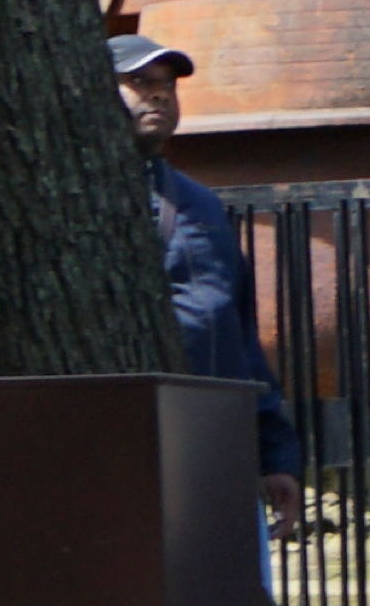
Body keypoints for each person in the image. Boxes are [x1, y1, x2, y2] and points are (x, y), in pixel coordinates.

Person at [126, 34, 310, 531]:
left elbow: (236, 332)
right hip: (119, 448)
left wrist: (276, 455)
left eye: (168, 85)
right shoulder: (67, 197)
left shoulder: (199, 204)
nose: (159, 95)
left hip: (208, 444)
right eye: (139, 82)